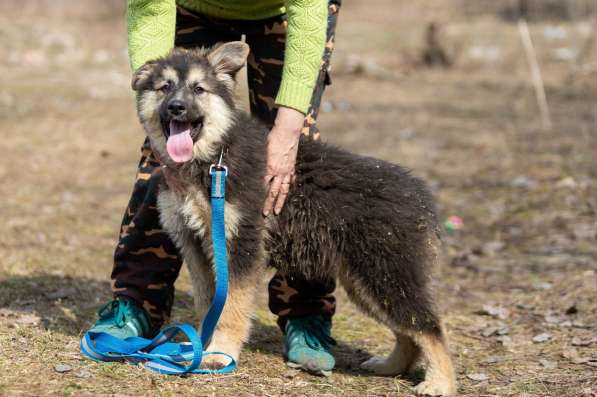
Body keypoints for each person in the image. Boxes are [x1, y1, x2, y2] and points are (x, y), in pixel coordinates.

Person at [89, 0, 341, 375]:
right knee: (167, 145)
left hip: (289, 14)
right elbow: (148, 12)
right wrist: (157, 128)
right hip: (191, 9)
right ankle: (137, 304)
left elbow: (308, 9)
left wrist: (288, 130)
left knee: (294, 160)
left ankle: (305, 314)